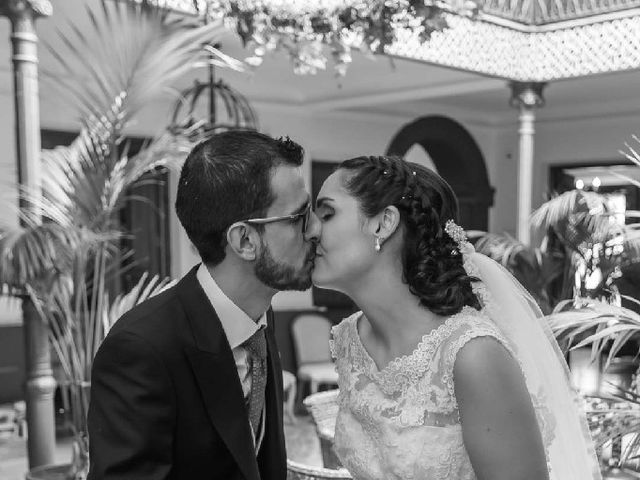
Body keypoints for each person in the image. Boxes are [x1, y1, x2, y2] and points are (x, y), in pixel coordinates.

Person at [313, 155, 601, 480]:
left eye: (326, 213)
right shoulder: (350, 339)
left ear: (383, 224)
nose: (310, 229)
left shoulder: (472, 355)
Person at [87, 130, 320, 480]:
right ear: (244, 240)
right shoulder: (142, 349)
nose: (315, 228)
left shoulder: (257, 316)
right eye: (298, 217)